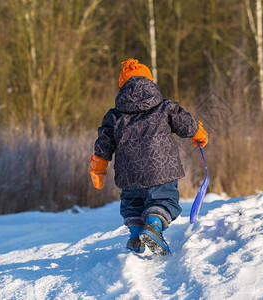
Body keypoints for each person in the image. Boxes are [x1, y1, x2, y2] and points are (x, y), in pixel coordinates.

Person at [89, 58, 208, 255]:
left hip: (129, 175)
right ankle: (153, 226)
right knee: (163, 200)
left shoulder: (114, 116)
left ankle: (136, 236)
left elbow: (104, 143)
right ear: (150, 82)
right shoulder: (165, 107)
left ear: (122, 87)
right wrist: (199, 134)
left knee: (133, 204)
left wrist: (98, 167)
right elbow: (185, 123)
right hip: (161, 169)